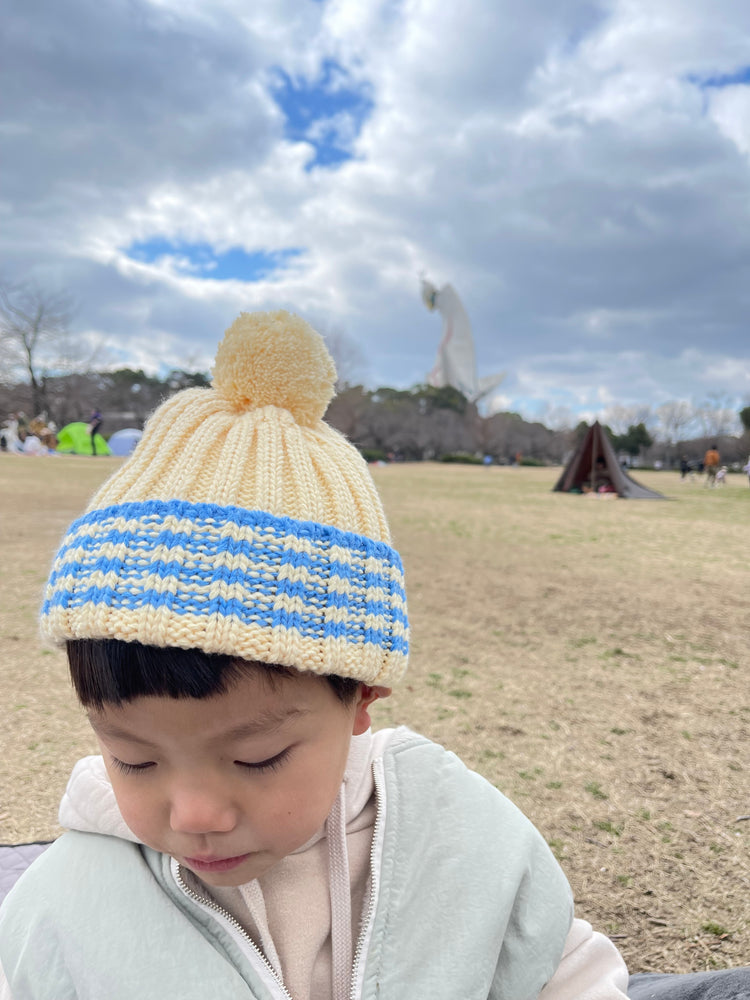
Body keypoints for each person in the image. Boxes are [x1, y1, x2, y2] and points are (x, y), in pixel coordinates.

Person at [0, 311, 746, 1000]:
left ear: (360, 698)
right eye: (132, 758)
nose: (195, 813)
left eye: (256, 757)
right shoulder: (64, 910)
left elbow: (557, 969)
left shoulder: (453, 831)